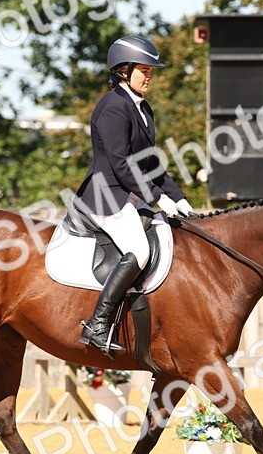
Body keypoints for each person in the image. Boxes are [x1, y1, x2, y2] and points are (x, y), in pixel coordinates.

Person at [73, 35, 194, 355]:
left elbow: (149, 162)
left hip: (129, 194)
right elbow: (122, 164)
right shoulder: (113, 107)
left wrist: (177, 197)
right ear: (123, 70)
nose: (150, 75)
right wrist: (156, 198)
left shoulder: (142, 107)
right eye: (144, 69)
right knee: (139, 250)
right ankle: (98, 324)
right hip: (106, 195)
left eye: (151, 70)